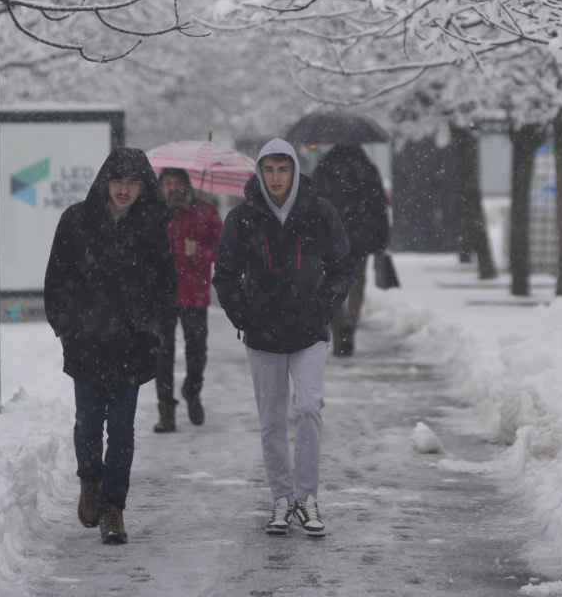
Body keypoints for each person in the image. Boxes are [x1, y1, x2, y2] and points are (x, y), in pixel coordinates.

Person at [214, 139, 351, 539]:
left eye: (283, 169)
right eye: (269, 170)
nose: (276, 178)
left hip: (309, 330)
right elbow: (224, 274)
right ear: (259, 171)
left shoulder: (319, 212)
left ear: (294, 170)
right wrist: (243, 314)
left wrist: (324, 306)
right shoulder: (242, 218)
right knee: (271, 420)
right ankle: (281, 498)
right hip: (262, 334)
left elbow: (343, 265)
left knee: (308, 407)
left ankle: (307, 498)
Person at [44, 148, 176, 547]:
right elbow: (57, 276)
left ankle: (113, 506)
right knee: (88, 423)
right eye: (117, 181)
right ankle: (90, 480)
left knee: (121, 429)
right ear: (104, 182)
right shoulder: (76, 220)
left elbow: (165, 285)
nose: (124, 189)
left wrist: (152, 328)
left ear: (143, 187)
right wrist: (66, 325)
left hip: (131, 344)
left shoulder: (152, 226)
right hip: (86, 341)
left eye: (133, 182)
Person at [154, 167, 223, 432]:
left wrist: (200, 251)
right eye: (167, 183)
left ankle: (192, 391)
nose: (173, 187)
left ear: (187, 185)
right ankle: (166, 410)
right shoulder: (153, 213)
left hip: (195, 293)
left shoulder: (206, 212)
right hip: (162, 295)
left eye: (177, 182)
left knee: (197, 352)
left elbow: (223, 247)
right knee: (163, 353)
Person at [309, 145, 390, 357]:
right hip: (361, 239)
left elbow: (314, 204)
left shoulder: (325, 168)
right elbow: (379, 206)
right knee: (357, 282)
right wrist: (381, 238)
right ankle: (351, 325)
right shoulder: (367, 168)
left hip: (332, 239)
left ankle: (338, 330)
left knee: (333, 285)